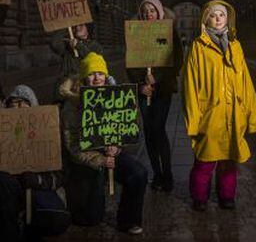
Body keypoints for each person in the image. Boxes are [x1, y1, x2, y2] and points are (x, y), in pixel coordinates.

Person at [182, 0, 256, 211]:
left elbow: (246, 82)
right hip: (210, 114)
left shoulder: (236, 46)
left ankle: (227, 196)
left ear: (228, 19)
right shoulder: (198, 47)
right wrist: (194, 121)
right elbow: (190, 86)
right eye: (213, 15)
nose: (218, 18)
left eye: (222, 15)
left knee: (229, 161)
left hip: (234, 113)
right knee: (205, 161)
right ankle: (199, 197)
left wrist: (250, 115)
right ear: (205, 19)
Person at [60, 52, 147, 234]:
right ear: (84, 78)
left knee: (138, 173)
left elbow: (132, 129)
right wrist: (99, 160)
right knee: (90, 219)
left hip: (112, 154)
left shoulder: (119, 97)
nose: (97, 78)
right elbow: (72, 145)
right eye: (91, 74)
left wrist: (118, 147)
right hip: (87, 160)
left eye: (100, 73)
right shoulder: (72, 106)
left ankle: (128, 220)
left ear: (106, 76)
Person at [0, 85, 70, 242]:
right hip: (10, 192)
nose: (19, 107)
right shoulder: (2, 132)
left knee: (56, 219)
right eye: (15, 102)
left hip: (38, 188)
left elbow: (61, 174)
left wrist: (37, 180)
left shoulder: (48, 133)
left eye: (25, 103)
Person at [127, 0, 183, 192]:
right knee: (149, 133)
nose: (148, 14)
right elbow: (131, 63)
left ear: (158, 12)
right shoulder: (136, 32)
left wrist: (157, 78)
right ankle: (157, 175)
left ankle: (167, 175)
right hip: (144, 91)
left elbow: (176, 60)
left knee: (158, 129)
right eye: (145, 11)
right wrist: (141, 83)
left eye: (151, 10)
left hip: (162, 89)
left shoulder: (168, 31)